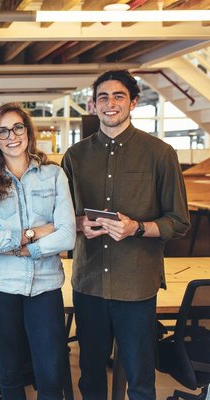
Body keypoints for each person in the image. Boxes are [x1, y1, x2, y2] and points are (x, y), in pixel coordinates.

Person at [61, 69, 191, 400]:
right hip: (88, 285)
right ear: (92, 105)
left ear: (133, 102)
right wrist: (77, 223)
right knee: (90, 378)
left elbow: (178, 221)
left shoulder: (160, 154)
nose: (110, 103)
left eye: (119, 96)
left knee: (141, 381)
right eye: (102, 97)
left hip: (136, 287)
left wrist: (137, 227)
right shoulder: (74, 157)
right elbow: (60, 217)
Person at [0, 103, 76, 400]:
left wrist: (22, 247)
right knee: (10, 371)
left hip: (44, 286)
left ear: (28, 131)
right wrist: (35, 233)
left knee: (51, 374)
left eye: (17, 127)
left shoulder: (53, 175)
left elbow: (68, 235)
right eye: (2, 130)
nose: (12, 136)